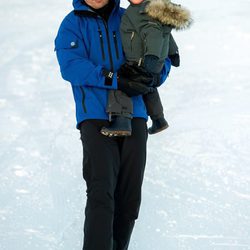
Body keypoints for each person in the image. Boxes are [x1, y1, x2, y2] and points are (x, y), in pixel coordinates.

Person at [55, 0, 171, 249]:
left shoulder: (132, 16)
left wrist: (151, 75)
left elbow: (163, 50)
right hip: (94, 115)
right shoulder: (72, 24)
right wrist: (114, 79)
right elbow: (71, 66)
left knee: (129, 198)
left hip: (135, 114)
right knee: (101, 191)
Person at [100, 0, 192, 137]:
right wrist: (173, 53)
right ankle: (159, 119)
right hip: (155, 63)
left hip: (142, 60)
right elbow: (165, 33)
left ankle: (122, 122)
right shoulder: (156, 9)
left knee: (120, 84)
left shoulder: (142, 11)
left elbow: (153, 33)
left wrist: (152, 56)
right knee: (148, 86)